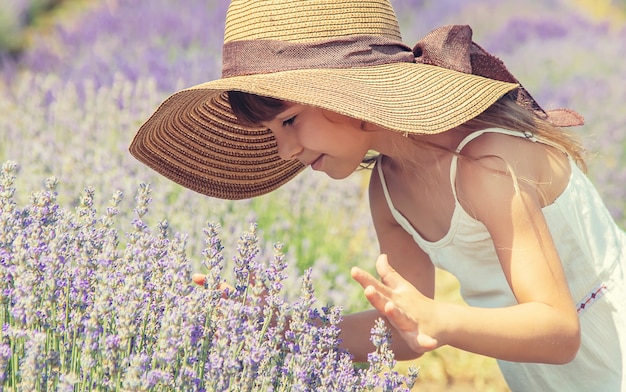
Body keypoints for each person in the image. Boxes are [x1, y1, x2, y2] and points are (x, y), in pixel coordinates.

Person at [129, 0, 626, 390]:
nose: (284, 151)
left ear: (346, 96)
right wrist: (288, 329)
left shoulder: (485, 164)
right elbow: (404, 333)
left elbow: (559, 330)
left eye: (288, 121)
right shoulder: (388, 191)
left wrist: (444, 321)